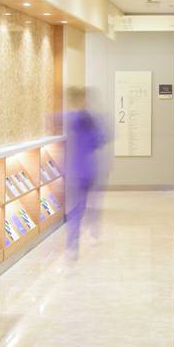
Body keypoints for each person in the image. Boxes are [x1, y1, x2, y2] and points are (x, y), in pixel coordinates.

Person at [62, 87, 106, 254]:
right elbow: (100, 140)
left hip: (79, 170)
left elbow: (52, 119)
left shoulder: (74, 117)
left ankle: (74, 242)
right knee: (85, 205)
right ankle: (88, 233)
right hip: (86, 169)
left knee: (79, 207)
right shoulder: (91, 119)